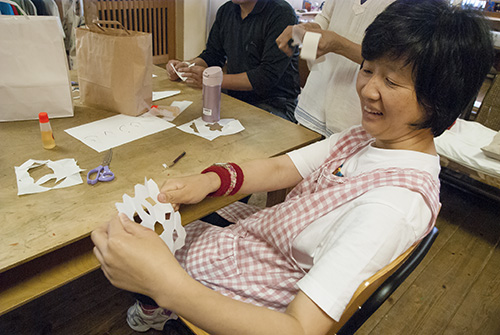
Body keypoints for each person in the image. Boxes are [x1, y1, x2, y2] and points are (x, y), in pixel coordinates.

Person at [91, 1, 494, 334]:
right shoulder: (367, 137)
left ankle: (157, 309)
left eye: (392, 82)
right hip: (266, 249)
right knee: (157, 219)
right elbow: (285, 167)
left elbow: (299, 329)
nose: (368, 89)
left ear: (439, 100)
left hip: (266, 295)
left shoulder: (390, 207)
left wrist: (166, 286)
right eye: (368, 69)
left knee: (133, 239)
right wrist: (210, 179)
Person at [166, 0, 301, 123]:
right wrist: (187, 67)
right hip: (236, 97)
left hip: (275, 103)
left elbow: (266, 76)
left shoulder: (281, 13)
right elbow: (213, 55)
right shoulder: (226, 10)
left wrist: (213, 80)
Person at [276, 0, 395, 137]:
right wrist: (302, 31)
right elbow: (324, 20)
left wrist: (339, 45)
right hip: (315, 101)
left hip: (357, 111)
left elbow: (392, 62)